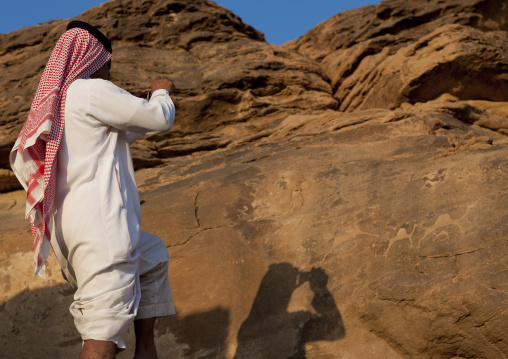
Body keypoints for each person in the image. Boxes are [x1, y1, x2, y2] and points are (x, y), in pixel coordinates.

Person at [10, 20, 176, 359]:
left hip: (70, 231)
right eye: (108, 63)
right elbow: (160, 119)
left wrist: (136, 107)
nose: (110, 72)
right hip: (102, 229)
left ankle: (145, 348)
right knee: (102, 332)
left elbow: (118, 134)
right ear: (93, 58)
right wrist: (162, 91)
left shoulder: (60, 101)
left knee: (153, 254)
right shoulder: (89, 90)